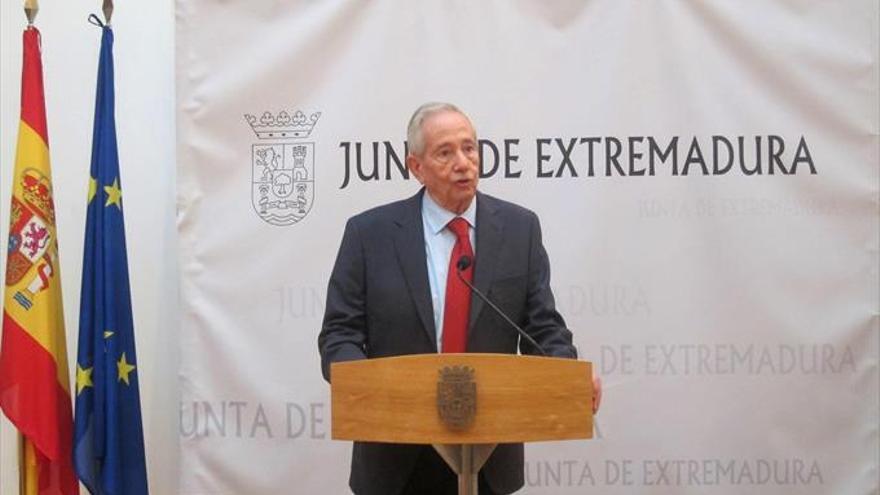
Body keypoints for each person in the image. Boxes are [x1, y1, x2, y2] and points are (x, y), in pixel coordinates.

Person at [318, 102, 602, 495]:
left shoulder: (520, 229)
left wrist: (567, 374)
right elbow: (339, 334)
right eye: (445, 152)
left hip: (488, 453)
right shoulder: (369, 235)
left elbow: (543, 327)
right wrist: (364, 386)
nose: (464, 163)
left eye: (470, 148)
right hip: (394, 451)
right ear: (415, 167)